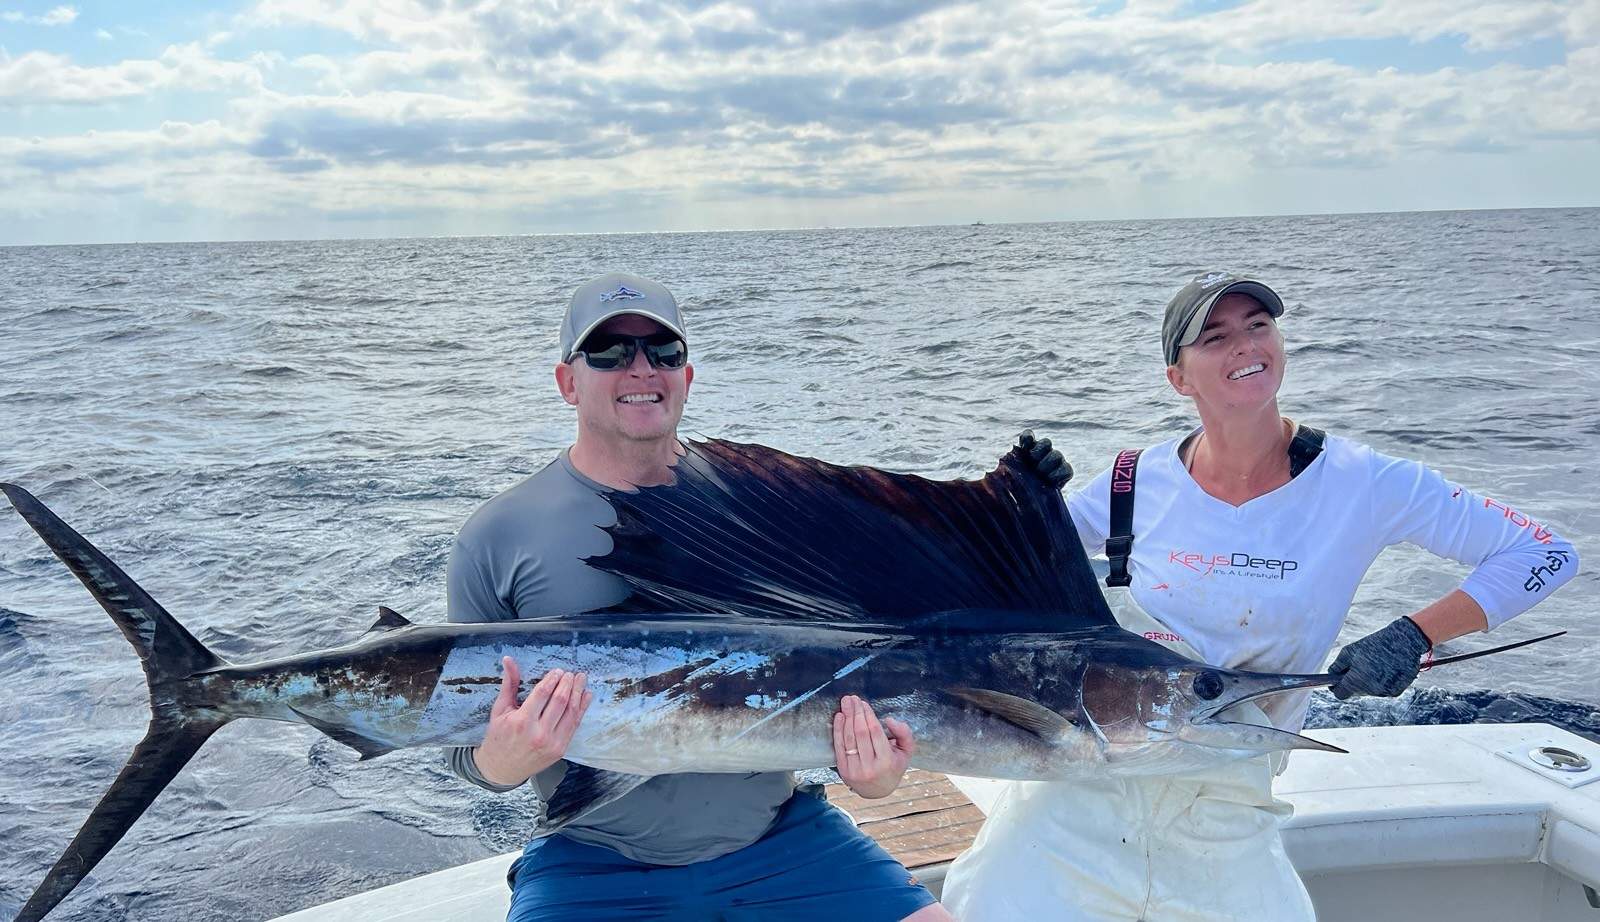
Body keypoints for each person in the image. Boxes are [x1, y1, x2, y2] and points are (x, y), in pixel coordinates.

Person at [941, 269, 1579, 920]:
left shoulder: (1365, 481)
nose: (1245, 346)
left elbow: (1547, 554)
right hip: (1081, 779)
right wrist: (1024, 503)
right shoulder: (1130, 484)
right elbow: (993, 574)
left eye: (1258, 326)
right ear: (1179, 378)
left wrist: (1420, 632)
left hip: (1228, 798)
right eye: (1215, 336)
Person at [444, 272, 953, 922]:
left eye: (664, 351)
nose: (640, 367)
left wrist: (878, 776)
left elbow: (845, 682)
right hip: (591, 859)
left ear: (686, 377)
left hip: (784, 843)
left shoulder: (764, 515)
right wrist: (498, 761)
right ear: (567, 382)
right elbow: (459, 742)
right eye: (609, 352)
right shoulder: (495, 538)